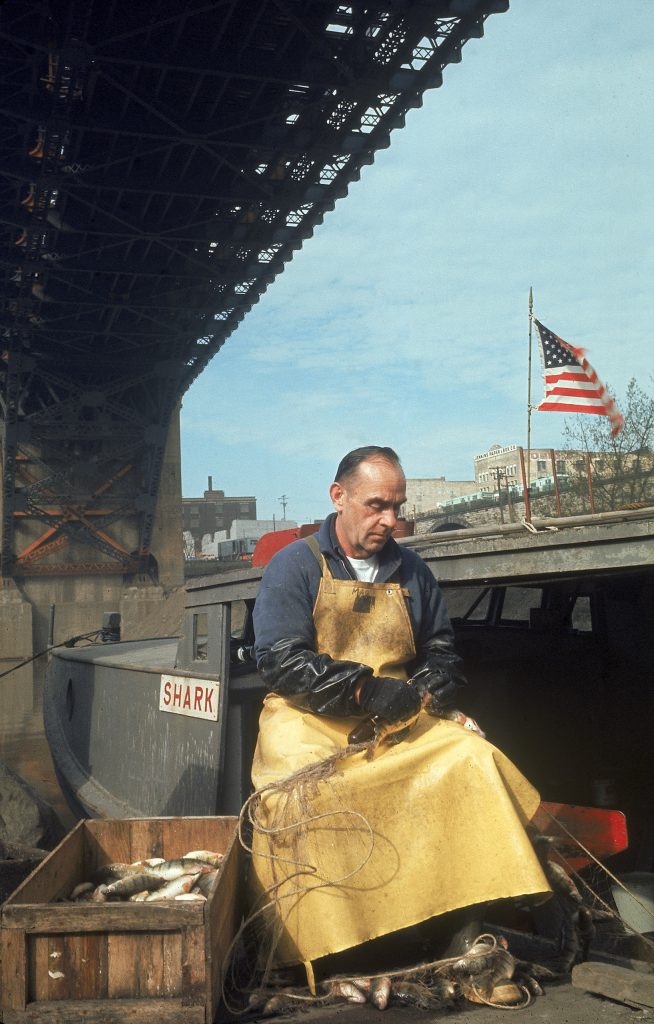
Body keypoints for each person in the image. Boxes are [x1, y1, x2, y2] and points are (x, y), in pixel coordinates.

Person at [249, 446, 550, 984]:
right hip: (307, 718)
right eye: (376, 505)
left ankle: (462, 918)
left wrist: (426, 690)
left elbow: (443, 654)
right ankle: (320, 951)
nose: (390, 520)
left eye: (398, 507)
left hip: (394, 717)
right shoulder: (293, 565)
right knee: (298, 798)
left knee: (471, 759)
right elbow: (281, 660)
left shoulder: (412, 570)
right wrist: (364, 691)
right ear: (338, 497)